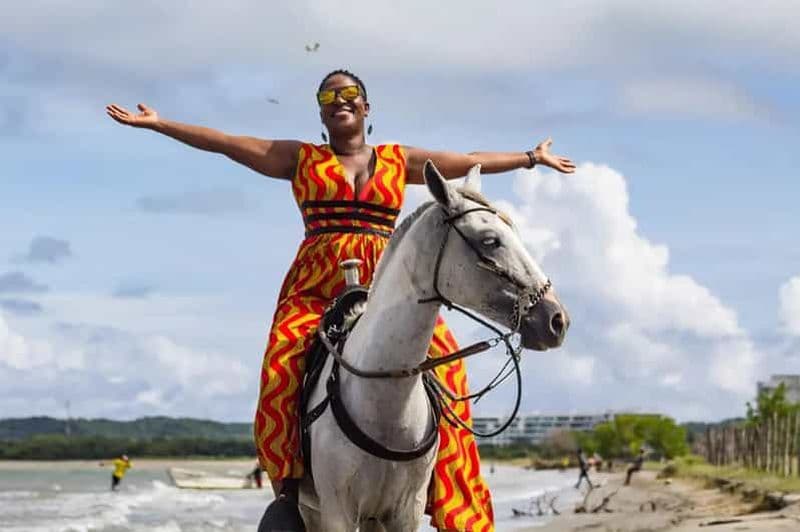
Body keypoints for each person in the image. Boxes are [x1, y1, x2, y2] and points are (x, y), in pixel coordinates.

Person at [106, 69, 575, 531]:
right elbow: (227, 143)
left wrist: (529, 158)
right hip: (315, 288)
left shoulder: (398, 159)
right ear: (321, 113)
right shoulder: (300, 158)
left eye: (350, 92)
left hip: (389, 288)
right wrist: (161, 124)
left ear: (367, 107)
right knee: (281, 364)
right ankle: (288, 490)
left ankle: (452, 496)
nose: (340, 100)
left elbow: (466, 161)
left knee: (448, 366)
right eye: (328, 96)